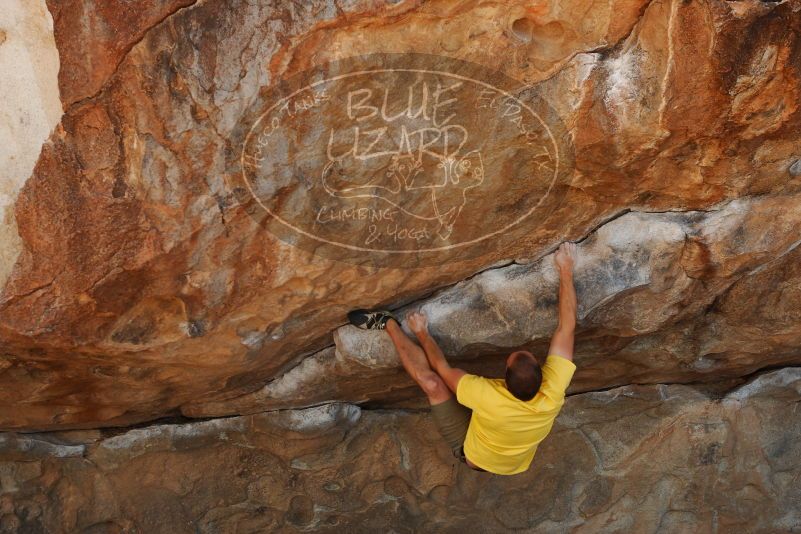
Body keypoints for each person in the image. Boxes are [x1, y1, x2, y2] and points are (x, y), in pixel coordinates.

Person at [347, 242, 578, 475]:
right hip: (494, 431)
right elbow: (566, 328)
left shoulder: (489, 395)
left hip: (474, 452)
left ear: (504, 382)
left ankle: (387, 323)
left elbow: (441, 367)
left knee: (432, 384)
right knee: (476, 408)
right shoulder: (553, 390)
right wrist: (566, 269)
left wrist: (422, 332)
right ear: (542, 374)